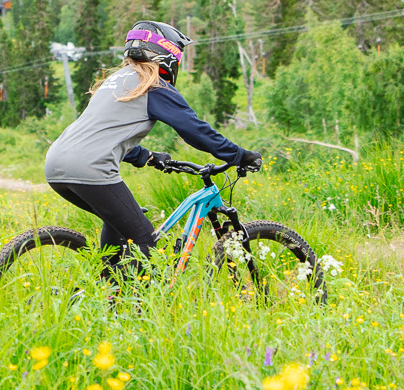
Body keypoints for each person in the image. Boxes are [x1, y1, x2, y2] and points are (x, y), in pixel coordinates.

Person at [43, 21, 260, 278]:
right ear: (167, 55)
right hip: (90, 168)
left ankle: (109, 287)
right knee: (145, 239)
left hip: (56, 164)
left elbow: (106, 133)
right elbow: (195, 130)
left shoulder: (117, 80)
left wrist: (147, 156)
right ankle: (128, 298)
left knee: (120, 225)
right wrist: (239, 155)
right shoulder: (153, 85)